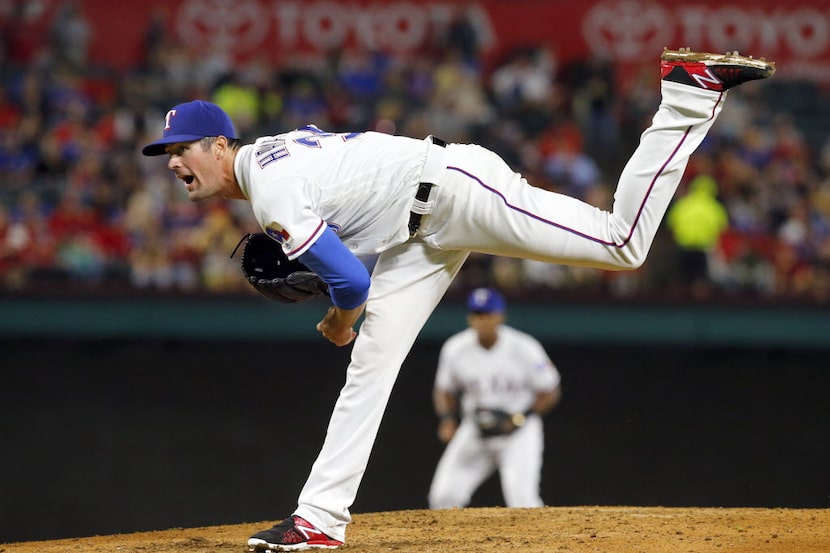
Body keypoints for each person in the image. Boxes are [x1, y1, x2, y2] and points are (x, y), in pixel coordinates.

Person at [140, 49, 775, 551]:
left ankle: (687, 96)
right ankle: (318, 520)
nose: (172, 162)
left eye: (181, 149)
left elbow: (353, 286)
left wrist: (338, 317)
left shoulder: (271, 189)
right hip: (416, 229)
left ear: (219, 144)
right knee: (372, 365)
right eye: (166, 154)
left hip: (455, 191)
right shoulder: (272, 160)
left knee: (624, 243)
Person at [428, 287, 561, 509]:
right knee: (443, 497)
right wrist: (448, 419)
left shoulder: (524, 347)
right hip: (476, 429)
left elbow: (550, 390)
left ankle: (534, 544)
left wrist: (521, 416)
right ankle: (448, 545)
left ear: (500, 315)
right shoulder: (455, 348)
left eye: (488, 314)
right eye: (477, 314)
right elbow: (444, 390)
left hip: (518, 431)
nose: (482, 320)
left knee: (523, 502)